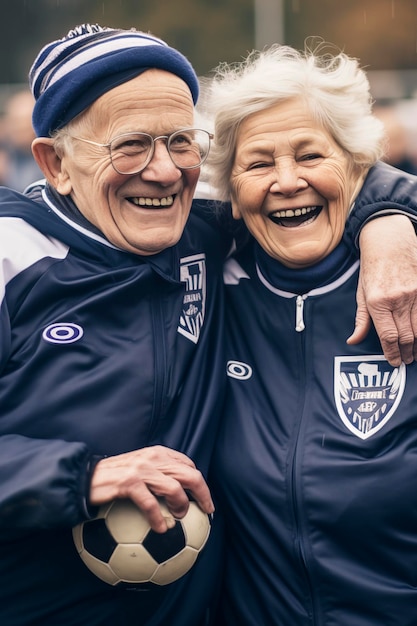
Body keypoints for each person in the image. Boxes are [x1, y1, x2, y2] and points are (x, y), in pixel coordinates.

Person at [0, 22, 416, 626]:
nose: (164, 172)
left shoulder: (207, 238)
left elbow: (328, 171)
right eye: (131, 145)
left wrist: (390, 220)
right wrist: (78, 476)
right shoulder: (12, 259)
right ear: (55, 164)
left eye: (179, 142)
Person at [199, 44, 417, 625]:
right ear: (231, 192)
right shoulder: (201, 285)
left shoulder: (405, 282)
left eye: (310, 155)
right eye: (259, 163)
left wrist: (393, 212)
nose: (287, 181)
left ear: (356, 166)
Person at [0, 89, 43, 190]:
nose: (20, 127)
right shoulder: (7, 152)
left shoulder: (49, 156)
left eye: (24, 121)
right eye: (15, 121)